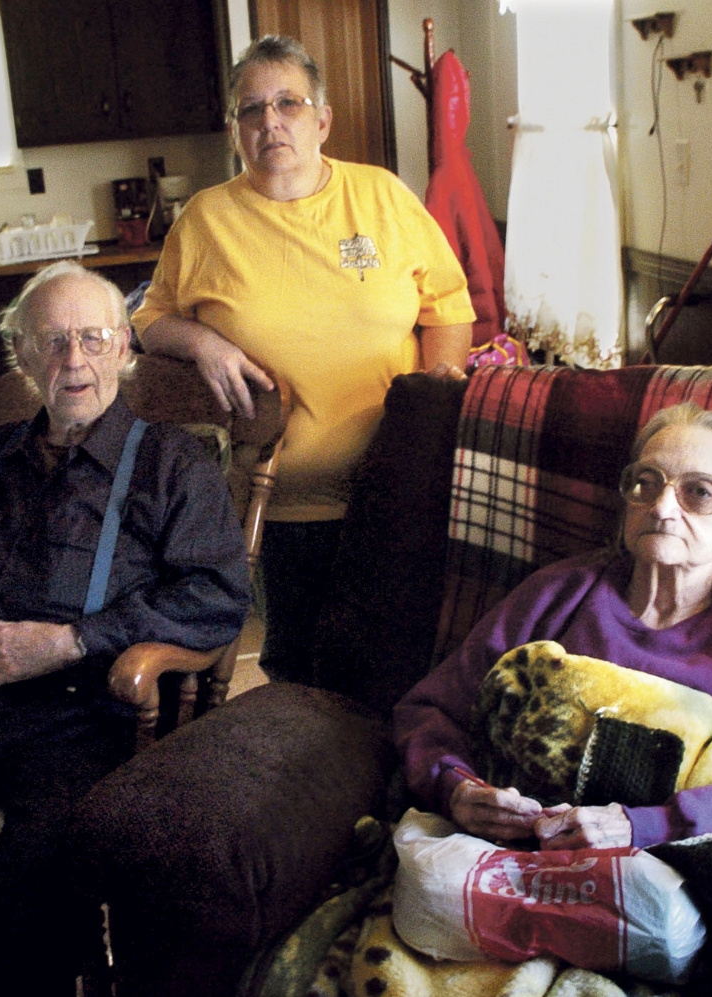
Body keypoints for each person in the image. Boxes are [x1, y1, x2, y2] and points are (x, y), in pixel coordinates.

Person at [0, 260, 252, 997]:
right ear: (21, 357)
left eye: (93, 338)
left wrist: (72, 640)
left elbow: (216, 596)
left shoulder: (172, 464)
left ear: (124, 347)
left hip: (88, 722)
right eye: (52, 341)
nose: (74, 360)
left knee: (35, 898)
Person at [131, 35, 476, 682]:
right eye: (251, 109)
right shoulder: (205, 221)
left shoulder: (381, 196)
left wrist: (429, 406)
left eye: (288, 103)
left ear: (321, 119)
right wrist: (203, 341)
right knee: (299, 672)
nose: (270, 122)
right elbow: (150, 320)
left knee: (405, 668)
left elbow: (448, 306)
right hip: (280, 507)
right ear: (234, 129)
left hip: (395, 494)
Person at [394, 402, 712, 864]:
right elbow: (429, 710)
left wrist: (642, 827)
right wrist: (456, 788)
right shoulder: (557, 594)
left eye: (700, 493)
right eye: (645, 483)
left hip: (669, 878)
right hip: (502, 859)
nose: (661, 507)